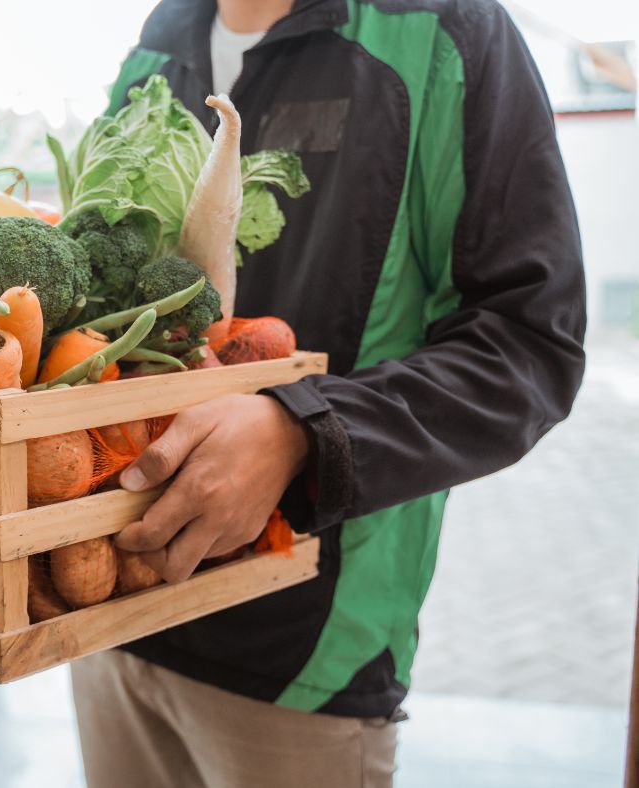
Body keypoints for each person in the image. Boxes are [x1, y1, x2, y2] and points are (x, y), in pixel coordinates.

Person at [71, 0, 587, 785]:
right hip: (111, 615)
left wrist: (303, 431)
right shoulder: (158, 41)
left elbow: (531, 340)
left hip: (304, 660)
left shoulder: (446, 32)